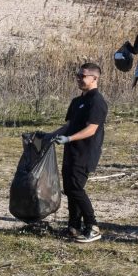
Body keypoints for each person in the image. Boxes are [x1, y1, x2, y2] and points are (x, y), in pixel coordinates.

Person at [52, 63, 108, 243]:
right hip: (71, 151)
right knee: (70, 189)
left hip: (85, 152)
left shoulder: (97, 102)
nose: (78, 78)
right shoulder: (77, 101)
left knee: (75, 188)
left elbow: (91, 129)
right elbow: (68, 125)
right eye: (77, 75)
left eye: (82, 76)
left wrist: (68, 139)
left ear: (94, 78)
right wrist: (50, 135)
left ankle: (92, 226)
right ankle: (74, 227)